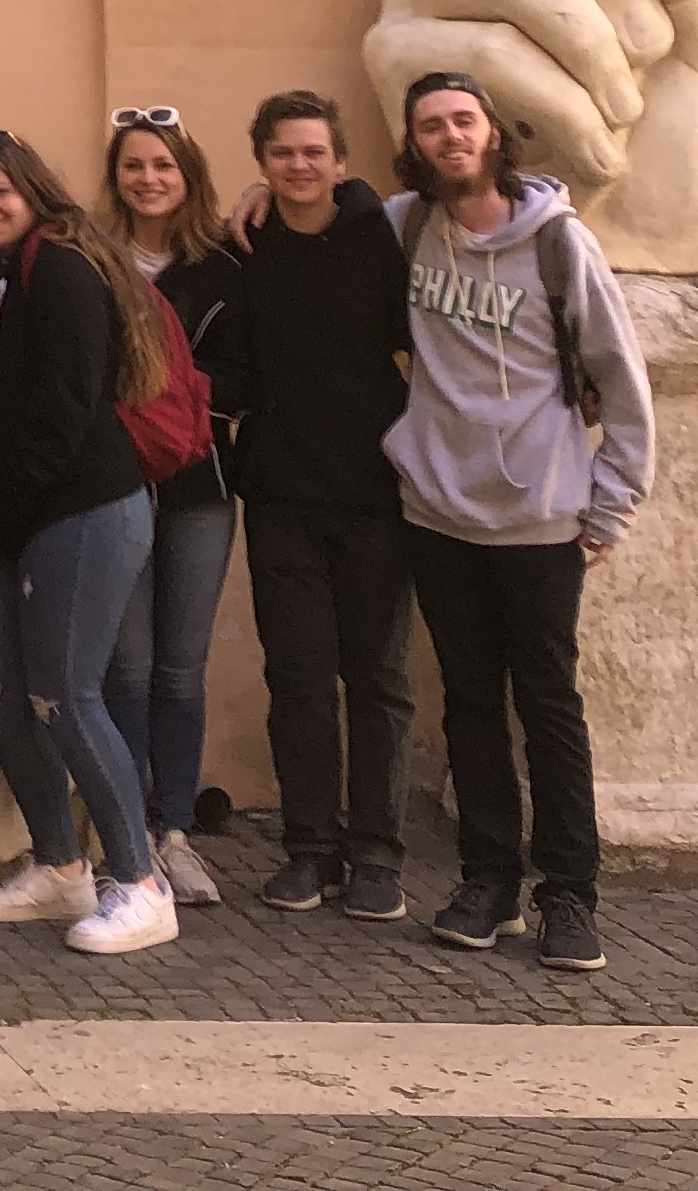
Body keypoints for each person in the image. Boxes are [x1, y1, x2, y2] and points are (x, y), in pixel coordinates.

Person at [384, 70, 655, 974]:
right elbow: (316, 220)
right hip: (437, 512)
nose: (450, 137)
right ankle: (488, 884)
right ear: (414, 144)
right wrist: (261, 197)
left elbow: (622, 380)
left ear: (493, 132)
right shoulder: (405, 226)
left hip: (541, 518)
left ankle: (569, 897)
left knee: (548, 708)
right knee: (468, 704)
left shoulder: (558, 244)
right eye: (431, 126)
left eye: (463, 121)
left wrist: (611, 505)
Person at [0, 130, 177, 960]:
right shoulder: (11, 273)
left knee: (68, 698)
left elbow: (65, 413)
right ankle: (59, 867)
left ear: (33, 191)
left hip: (80, 513)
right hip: (16, 518)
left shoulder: (63, 269)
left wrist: (7, 510)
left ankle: (141, 885)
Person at [206, 90, 414, 920]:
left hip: (378, 497)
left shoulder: (383, 240)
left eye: (314, 152)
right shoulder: (244, 249)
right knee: (297, 678)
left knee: (377, 680)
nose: (299, 165)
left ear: (340, 161)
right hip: (282, 496)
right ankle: (310, 849)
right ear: (261, 163)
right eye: (283, 153)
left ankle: (378, 855)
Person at [101, 108, 243, 908]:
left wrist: (177, 400)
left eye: (162, 165)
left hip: (198, 487)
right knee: (125, 665)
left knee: (181, 669)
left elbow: (250, 372)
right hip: (113, 486)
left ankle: (176, 831)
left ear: (187, 176)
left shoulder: (223, 267)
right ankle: (127, 836)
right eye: (133, 165)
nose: (148, 179)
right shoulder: (91, 261)